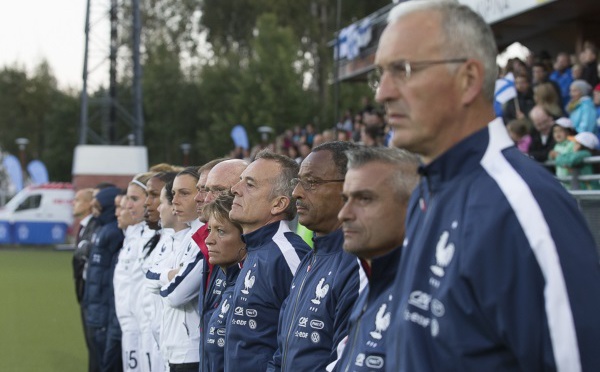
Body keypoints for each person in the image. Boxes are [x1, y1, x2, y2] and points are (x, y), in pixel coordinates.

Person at [373, 1, 600, 371]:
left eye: (403, 69)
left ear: (468, 80)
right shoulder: (427, 191)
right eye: (380, 73)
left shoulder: (525, 209)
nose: (382, 92)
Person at [268, 141, 365, 372]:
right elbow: (281, 353)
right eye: (297, 182)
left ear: (349, 187)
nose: (296, 193)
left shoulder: (358, 265)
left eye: (311, 182)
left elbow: (345, 362)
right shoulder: (308, 261)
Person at [334, 146, 419, 372]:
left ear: (413, 207)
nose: (344, 213)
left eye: (364, 199)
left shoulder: (427, 297)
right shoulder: (372, 280)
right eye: (345, 199)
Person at [225, 150, 310, 372]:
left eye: (250, 185)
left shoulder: (288, 255)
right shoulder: (253, 249)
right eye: (240, 181)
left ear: (279, 204)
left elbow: (301, 345)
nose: (235, 189)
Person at [200, 193, 247, 372]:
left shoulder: (249, 284)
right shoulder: (223, 278)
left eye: (220, 231)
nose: (208, 240)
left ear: (245, 236)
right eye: (209, 230)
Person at [83, 186, 124, 372]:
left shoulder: (112, 232)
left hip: (104, 315)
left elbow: (110, 281)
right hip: (95, 310)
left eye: (98, 206)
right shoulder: (102, 229)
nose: (95, 211)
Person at [71, 187, 100, 372]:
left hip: (93, 294)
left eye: (78, 200)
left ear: (90, 204)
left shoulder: (95, 227)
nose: (73, 203)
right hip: (85, 292)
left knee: (96, 348)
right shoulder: (84, 226)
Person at [548, 118, 577, 188]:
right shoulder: (556, 146)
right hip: (561, 181)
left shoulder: (573, 144)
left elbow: (570, 159)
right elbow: (552, 160)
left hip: (572, 180)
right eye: (555, 131)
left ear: (569, 132)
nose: (557, 134)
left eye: (560, 130)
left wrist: (558, 156)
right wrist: (550, 155)